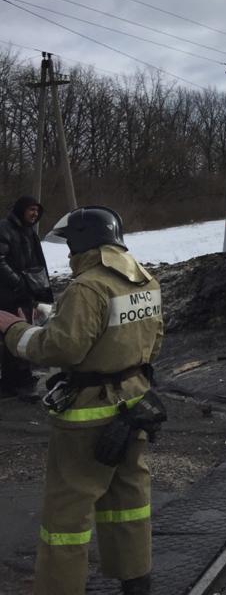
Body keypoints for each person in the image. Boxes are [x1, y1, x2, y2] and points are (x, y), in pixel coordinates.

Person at [0, 206, 163, 595]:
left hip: (89, 414)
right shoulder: (143, 279)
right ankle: (136, 578)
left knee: (66, 515)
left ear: (84, 242)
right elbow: (149, 340)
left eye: (71, 245)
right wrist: (54, 314)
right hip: (135, 406)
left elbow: (63, 348)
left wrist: (14, 330)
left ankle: (58, 587)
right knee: (129, 499)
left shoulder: (87, 286)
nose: (69, 254)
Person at [0, 195, 53, 396]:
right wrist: (18, 282)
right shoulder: (5, 228)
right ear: (21, 210)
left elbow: (34, 260)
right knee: (13, 332)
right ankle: (11, 383)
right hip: (9, 293)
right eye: (31, 210)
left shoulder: (27, 230)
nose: (35, 214)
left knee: (25, 330)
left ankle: (21, 376)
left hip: (25, 291)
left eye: (37, 211)